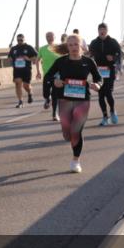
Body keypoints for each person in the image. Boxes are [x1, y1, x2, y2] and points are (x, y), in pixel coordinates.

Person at [43, 34, 102, 173]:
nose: (73, 47)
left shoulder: (88, 62)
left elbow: (99, 78)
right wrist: (54, 82)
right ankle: (68, 135)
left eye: (76, 44)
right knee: (67, 132)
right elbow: (48, 76)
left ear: (81, 45)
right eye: (70, 45)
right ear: (67, 47)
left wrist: (97, 85)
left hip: (83, 100)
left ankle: (76, 160)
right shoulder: (61, 62)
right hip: (64, 99)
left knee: (76, 131)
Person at [89, 23, 123, 126]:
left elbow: (120, 54)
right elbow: (90, 55)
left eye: (104, 29)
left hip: (109, 70)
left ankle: (112, 111)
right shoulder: (94, 42)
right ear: (98, 31)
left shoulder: (113, 42)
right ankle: (105, 117)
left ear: (107, 31)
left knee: (108, 93)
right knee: (100, 95)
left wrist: (113, 58)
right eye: (100, 29)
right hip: (98, 71)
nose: (102, 31)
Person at [8, 34, 38, 108]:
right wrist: (11, 61)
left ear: (24, 39)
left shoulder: (29, 47)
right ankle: (20, 101)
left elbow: (37, 57)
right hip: (17, 70)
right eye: (18, 40)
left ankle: (30, 93)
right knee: (18, 84)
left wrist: (28, 58)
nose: (19, 41)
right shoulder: (14, 48)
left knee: (26, 85)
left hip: (26, 70)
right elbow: (9, 57)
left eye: (21, 40)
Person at [38, 32, 60, 119]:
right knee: (45, 93)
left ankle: (54, 114)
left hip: (57, 74)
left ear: (54, 37)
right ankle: (47, 98)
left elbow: (64, 59)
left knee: (55, 94)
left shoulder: (58, 48)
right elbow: (37, 60)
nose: (49, 38)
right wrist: (38, 72)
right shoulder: (42, 48)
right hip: (47, 74)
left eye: (51, 36)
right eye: (47, 36)